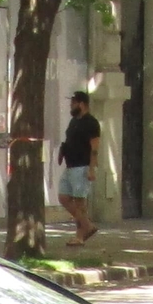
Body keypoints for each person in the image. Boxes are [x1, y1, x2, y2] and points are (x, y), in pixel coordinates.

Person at [58, 91, 101, 244]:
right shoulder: (74, 121)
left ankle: (80, 236)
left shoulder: (91, 123)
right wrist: (62, 153)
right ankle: (87, 225)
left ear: (81, 104)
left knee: (80, 202)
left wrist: (91, 168)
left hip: (81, 167)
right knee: (63, 197)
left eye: (73, 103)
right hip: (70, 166)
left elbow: (94, 147)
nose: (71, 106)